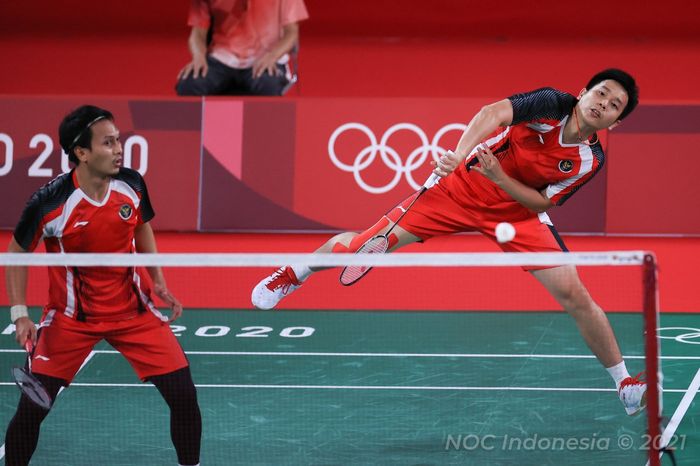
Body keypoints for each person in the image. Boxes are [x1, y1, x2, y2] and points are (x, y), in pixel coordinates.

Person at [252, 69, 648, 416]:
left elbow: (542, 201)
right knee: (362, 246)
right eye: (601, 92)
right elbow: (492, 113)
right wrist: (459, 155)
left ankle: (624, 383)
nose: (603, 103)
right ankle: (293, 271)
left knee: (575, 295)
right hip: (456, 191)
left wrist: (500, 179)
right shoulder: (551, 104)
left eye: (614, 105)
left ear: (614, 122)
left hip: (515, 215)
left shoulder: (587, 160)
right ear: (584, 91)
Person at [4, 106, 201, 466]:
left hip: (134, 313)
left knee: (184, 396)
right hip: (70, 320)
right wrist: (20, 315)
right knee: (32, 409)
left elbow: (141, 224)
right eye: (108, 143)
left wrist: (157, 280)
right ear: (81, 152)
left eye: (118, 140)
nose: (118, 149)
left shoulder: (132, 183)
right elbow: (15, 253)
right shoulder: (51, 202)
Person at [176, 0, 309, 96]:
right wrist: (198, 56)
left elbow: (291, 33)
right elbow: (197, 34)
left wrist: (272, 56)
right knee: (189, 85)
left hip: (264, 60)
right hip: (221, 60)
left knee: (269, 85)